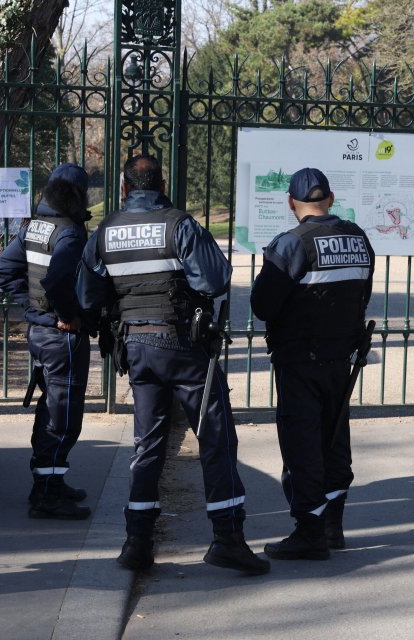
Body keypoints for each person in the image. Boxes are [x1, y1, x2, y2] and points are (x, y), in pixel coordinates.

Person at [75, 154, 269, 575]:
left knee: (148, 444)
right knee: (215, 438)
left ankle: (137, 542)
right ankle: (228, 540)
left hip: (136, 349)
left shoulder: (105, 231)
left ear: (124, 187)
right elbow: (214, 280)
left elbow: (87, 296)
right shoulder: (178, 224)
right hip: (181, 345)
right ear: (162, 183)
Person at [251, 167, 375, 560]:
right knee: (335, 439)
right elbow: (362, 292)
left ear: (291, 203)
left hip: (300, 359)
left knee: (302, 444)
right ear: (331, 200)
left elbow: (262, 305)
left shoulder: (292, 243)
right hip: (342, 359)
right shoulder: (357, 237)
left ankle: (309, 532)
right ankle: (332, 524)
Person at [0, 163, 92, 519]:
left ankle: (50, 481)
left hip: (41, 333)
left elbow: (4, 271)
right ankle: (47, 496)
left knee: (50, 409)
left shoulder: (33, 226)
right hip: (61, 336)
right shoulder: (68, 232)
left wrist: (32, 308)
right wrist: (65, 315)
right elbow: (57, 281)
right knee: (63, 417)